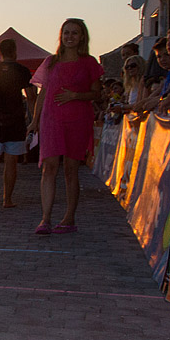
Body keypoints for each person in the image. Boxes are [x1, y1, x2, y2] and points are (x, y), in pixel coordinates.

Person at [27, 18, 103, 234]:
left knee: (70, 170)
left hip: (78, 119)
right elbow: (42, 94)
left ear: (82, 37)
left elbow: (97, 93)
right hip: (51, 119)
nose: (70, 37)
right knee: (49, 167)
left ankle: (69, 218)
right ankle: (45, 219)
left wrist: (76, 95)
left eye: (74, 33)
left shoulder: (89, 63)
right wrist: (34, 120)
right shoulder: (50, 62)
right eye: (66, 33)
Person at [0, 38, 37, 207]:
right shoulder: (23, 71)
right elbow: (31, 95)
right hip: (16, 119)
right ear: (15, 52)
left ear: (0, 52)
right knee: (11, 162)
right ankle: (7, 199)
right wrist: (33, 118)